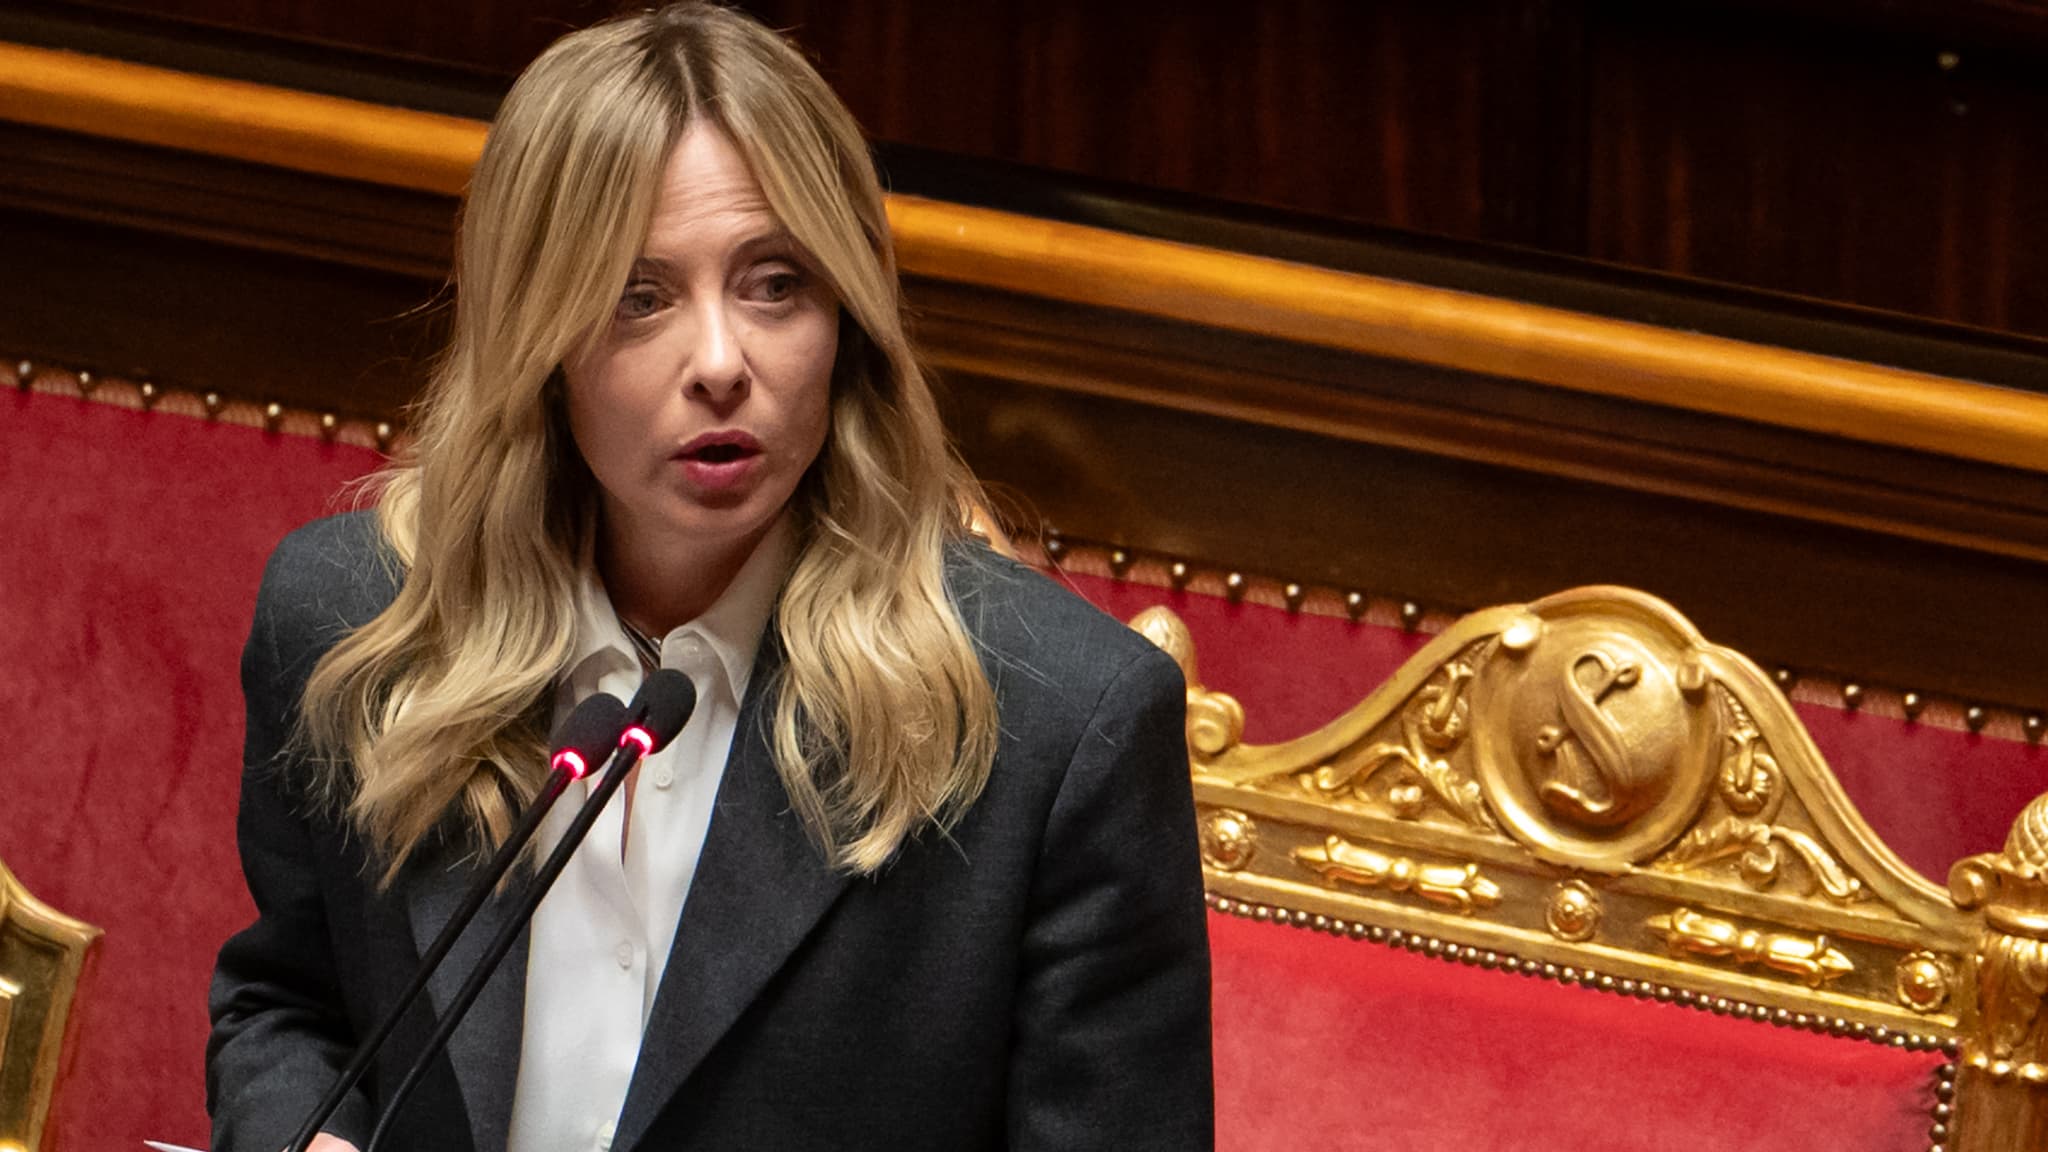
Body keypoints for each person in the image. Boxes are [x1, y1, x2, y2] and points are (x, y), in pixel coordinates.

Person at [204, 5, 1213, 1151]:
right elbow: (287, 1005)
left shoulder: (1057, 729)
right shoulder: (351, 622)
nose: (722, 364)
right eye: (638, 297)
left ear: (846, 319)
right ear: (536, 337)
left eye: (775, 284)